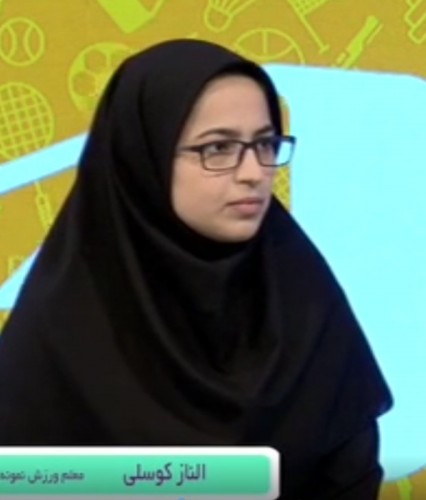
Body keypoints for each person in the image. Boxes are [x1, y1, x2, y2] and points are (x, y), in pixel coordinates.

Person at [0, 39, 393, 498]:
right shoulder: (58, 333)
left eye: (265, 144)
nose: (253, 172)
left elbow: (349, 471)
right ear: (143, 156)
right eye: (219, 147)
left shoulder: (305, 302)